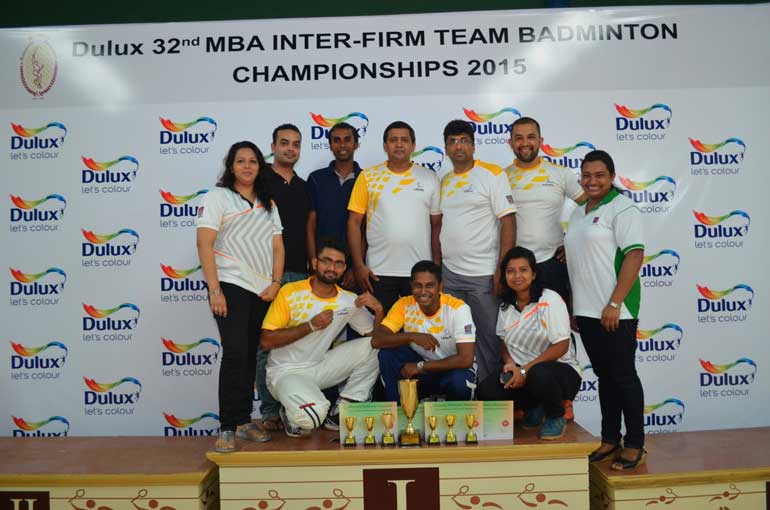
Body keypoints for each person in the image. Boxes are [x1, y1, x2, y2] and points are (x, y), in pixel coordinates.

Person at [196, 141, 284, 453]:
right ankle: (227, 427)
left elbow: (277, 247)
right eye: (240, 161)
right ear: (231, 167)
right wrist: (215, 290)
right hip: (230, 285)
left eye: (253, 161)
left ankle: (244, 420)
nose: (247, 166)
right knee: (234, 354)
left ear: (260, 167)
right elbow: (204, 244)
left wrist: (276, 283)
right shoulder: (218, 196)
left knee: (248, 355)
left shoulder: (267, 203)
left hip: (261, 291)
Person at [564, 149, 645, 470]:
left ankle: (635, 443)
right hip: (587, 311)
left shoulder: (623, 208)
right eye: (586, 175)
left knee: (623, 377)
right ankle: (610, 438)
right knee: (605, 377)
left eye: (599, 175)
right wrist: (576, 306)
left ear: (611, 176)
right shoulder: (577, 212)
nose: (592, 181)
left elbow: (634, 255)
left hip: (615, 310)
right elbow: (579, 258)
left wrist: (614, 303)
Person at [260, 237, 384, 438]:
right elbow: (266, 341)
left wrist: (378, 310)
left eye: (338, 263)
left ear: (344, 268)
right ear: (315, 262)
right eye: (327, 261)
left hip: (319, 367)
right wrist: (310, 326)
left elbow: (377, 340)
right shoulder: (290, 292)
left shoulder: (348, 300)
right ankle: (291, 412)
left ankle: (343, 409)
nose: (332, 268)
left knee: (374, 347)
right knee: (313, 418)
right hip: (284, 372)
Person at [438, 119, 516, 384]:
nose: (458, 146)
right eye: (452, 142)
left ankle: (491, 393)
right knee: (454, 339)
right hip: (450, 274)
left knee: (489, 338)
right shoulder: (445, 180)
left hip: (483, 273)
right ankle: (463, 392)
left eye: (464, 141)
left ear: (473, 145)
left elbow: (508, 220)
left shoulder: (492, 174)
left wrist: (502, 269)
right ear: (446, 148)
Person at [476, 247, 581, 440]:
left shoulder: (550, 299)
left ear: (533, 274)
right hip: (522, 372)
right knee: (486, 391)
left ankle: (556, 415)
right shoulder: (506, 306)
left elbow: (562, 346)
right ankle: (534, 406)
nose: (517, 276)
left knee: (539, 374)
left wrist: (525, 369)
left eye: (523, 270)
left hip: (559, 373)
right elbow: (503, 341)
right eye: (511, 271)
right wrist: (510, 364)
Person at [347, 121, 441, 312]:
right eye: (393, 140)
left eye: (404, 140)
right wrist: (358, 265)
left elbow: (437, 226)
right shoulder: (368, 177)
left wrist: (437, 267)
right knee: (381, 326)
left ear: (413, 146)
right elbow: (354, 223)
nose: (399, 144)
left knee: (417, 326)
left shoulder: (430, 178)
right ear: (385, 145)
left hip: (419, 273)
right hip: (378, 271)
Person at [258, 123, 311, 433]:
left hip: (300, 275)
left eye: (296, 144)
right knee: (265, 347)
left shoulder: (304, 186)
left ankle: (293, 409)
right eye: (284, 143)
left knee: (297, 347)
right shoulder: (258, 181)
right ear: (273, 146)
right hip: (267, 277)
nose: (290, 148)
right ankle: (269, 411)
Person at [505, 117, 585, 305]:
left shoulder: (560, 173)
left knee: (557, 321)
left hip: (552, 263)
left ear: (541, 141)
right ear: (510, 143)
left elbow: (592, 207)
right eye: (519, 138)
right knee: (520, 322)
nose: (525, 143)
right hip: (515, 267)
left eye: (531, 137)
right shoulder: (501, 177)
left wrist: (574, 243)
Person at [373, 261, 476, 401]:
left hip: (451, 369)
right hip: (422, 369)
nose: (423, 291)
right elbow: (377, 340)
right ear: (411, 286)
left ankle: (452, 411)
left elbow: (466, 359)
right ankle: (399, 407)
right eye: (418, 286)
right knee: (387, 354)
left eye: (429, 285)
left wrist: (421, 366)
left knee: (459, 382)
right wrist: (412, 336)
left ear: (440, 286)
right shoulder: (404, 304)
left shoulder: (458, 309)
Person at [306, 122, 363, 290]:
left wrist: (356, 267)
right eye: (337, 140)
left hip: (353, 268)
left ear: (356, 144)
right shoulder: (316, 179)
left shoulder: (366, 179)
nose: (342, 144)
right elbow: (310, 224)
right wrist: (313, 261)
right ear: (330, 145)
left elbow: (367, 229)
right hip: (322, 265)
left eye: (347, 139)